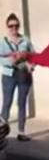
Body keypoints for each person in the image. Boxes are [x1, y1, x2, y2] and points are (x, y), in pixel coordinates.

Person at [0, 13, 35, 142]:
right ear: (7, 27)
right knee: (7, 103)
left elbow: (33, 55)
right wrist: (12, 61)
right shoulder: (3, 42)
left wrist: (31, 65)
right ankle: (1, 133)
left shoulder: (25, 40)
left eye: (16, 25)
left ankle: (21, 132)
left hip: (24, 74)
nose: (14, 28)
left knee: (22, 103)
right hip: (9, 75)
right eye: (11, 26)